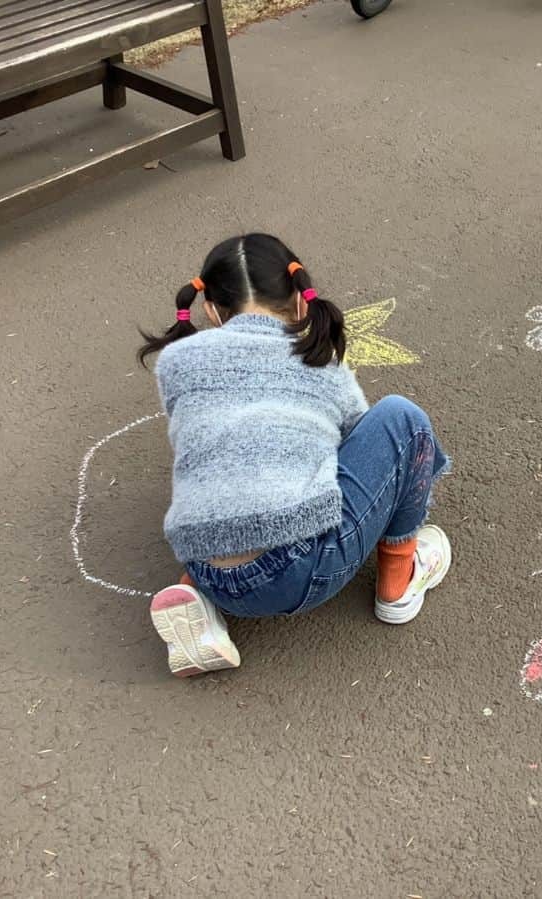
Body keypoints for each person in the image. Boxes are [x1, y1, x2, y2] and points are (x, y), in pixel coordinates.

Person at [136, 233, 451, 677]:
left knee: (220, 468)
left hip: (205, 560)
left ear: (210, 309)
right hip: (299, 570)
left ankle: (198, 600)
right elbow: (359, 443)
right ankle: (399, 581)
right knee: (402, 420)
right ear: (302, 302)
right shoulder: (319, 359)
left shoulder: (177, 361)